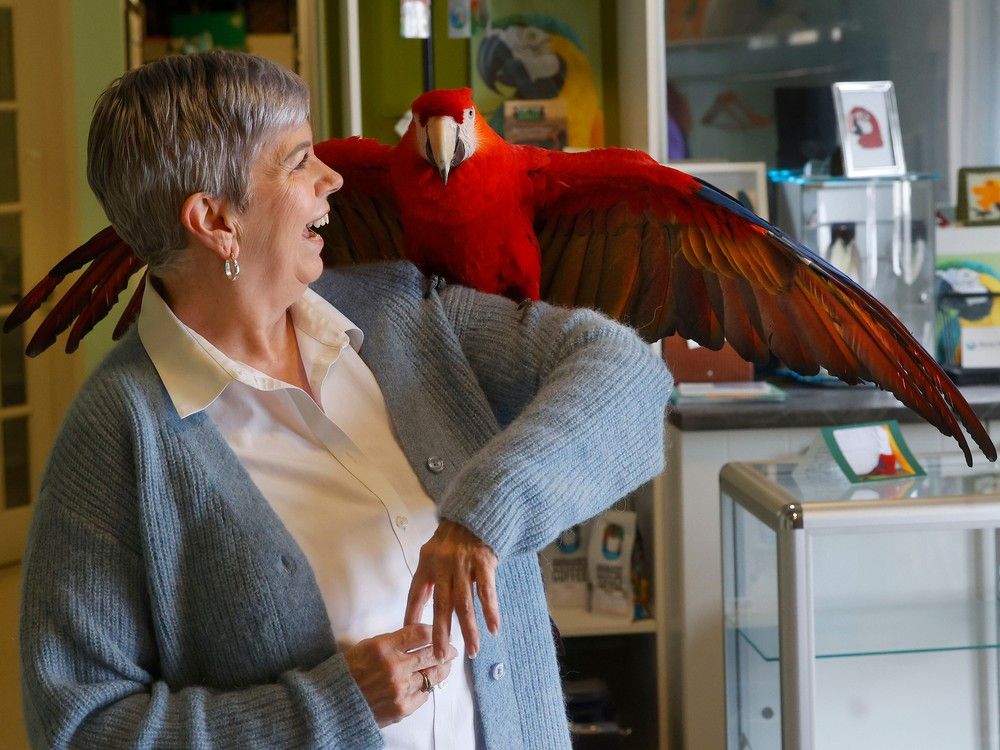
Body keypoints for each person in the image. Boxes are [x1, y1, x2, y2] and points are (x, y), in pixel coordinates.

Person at [19, 50, 671, 749]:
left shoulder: (405, 314)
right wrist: (329, 708)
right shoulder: (119, 434)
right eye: (299, 160)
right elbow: (79, 730)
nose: (332, 177)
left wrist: (482, 516)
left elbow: (629, 375)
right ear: (214, 221)